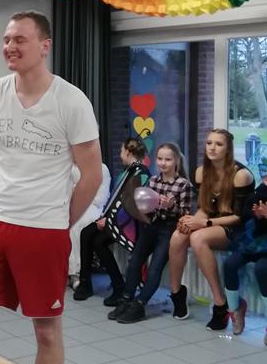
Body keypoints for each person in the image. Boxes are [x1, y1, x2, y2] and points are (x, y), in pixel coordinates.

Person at [0, 11, 102, 364]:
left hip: (44, 230)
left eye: (20, 39)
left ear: (44, 46)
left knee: (47, 332)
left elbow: (92, 175)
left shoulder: (71, 101)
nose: (10, 46)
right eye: (7, 39)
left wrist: (62, 220)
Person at [167, 128, 254, 330]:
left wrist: (203, 223)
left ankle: (220, 303)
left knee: (198, 238)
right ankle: (177, 293)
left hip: (238, 229)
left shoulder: (241, 175)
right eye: (209, 143)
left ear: (228, 149)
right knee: (178, 235)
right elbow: (205, 208)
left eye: (218, 144)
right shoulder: (201, 172)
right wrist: (190, 220)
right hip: (212, 222)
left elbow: (240, 218)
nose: (212, 148)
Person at [108, 142, 193, 324]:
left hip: (169, 229)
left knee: (155, 268)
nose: (163, 163)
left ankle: (140, 304)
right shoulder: (153, 181)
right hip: (151, 226)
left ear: (176, 161)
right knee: (134, 261)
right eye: (160, 159)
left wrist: (171, 206)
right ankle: (126, 299)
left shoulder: (183, 184)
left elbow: (186, 215)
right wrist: (147, 207)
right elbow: (145, 207)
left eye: (168, 159)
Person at [73, 137, 149, 304]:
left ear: (128, 152)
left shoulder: (140, 173)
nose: (120, 154)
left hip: (127, 224)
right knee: (86, 233)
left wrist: (109, 220)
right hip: (115, 219)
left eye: (121, 151)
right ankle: (85, 282)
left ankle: (118, 285)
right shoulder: (129, 171)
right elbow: (117, 200)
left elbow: (130, 206)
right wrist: (106, 217)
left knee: (98, 242)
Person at [223, 180, 267, 341]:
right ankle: (236, 309)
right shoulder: (258, 192)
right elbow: (246, 218)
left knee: (262, 269)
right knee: (230, 264)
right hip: (253, 242)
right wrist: (258, 217)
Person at [67, 161, 110, 289]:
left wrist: (79, 192)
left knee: (76, 225)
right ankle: (64, 270)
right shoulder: (70, 167)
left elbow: (101, 198)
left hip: (93, 206)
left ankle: (77, 272)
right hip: (70, 204)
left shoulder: (101, 168)